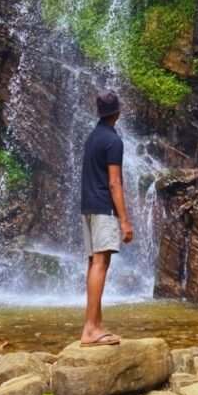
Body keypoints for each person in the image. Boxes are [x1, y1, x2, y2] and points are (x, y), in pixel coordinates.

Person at [79, 89, 133, 347]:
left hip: (87, 207)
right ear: (118, 113)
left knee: (93, 263)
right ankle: (90, 329)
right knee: (101, 264)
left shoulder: (92, 137)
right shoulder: (113, 141)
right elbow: (114, 183)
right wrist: (124, 220)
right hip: (103, 208)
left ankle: (96, 324)